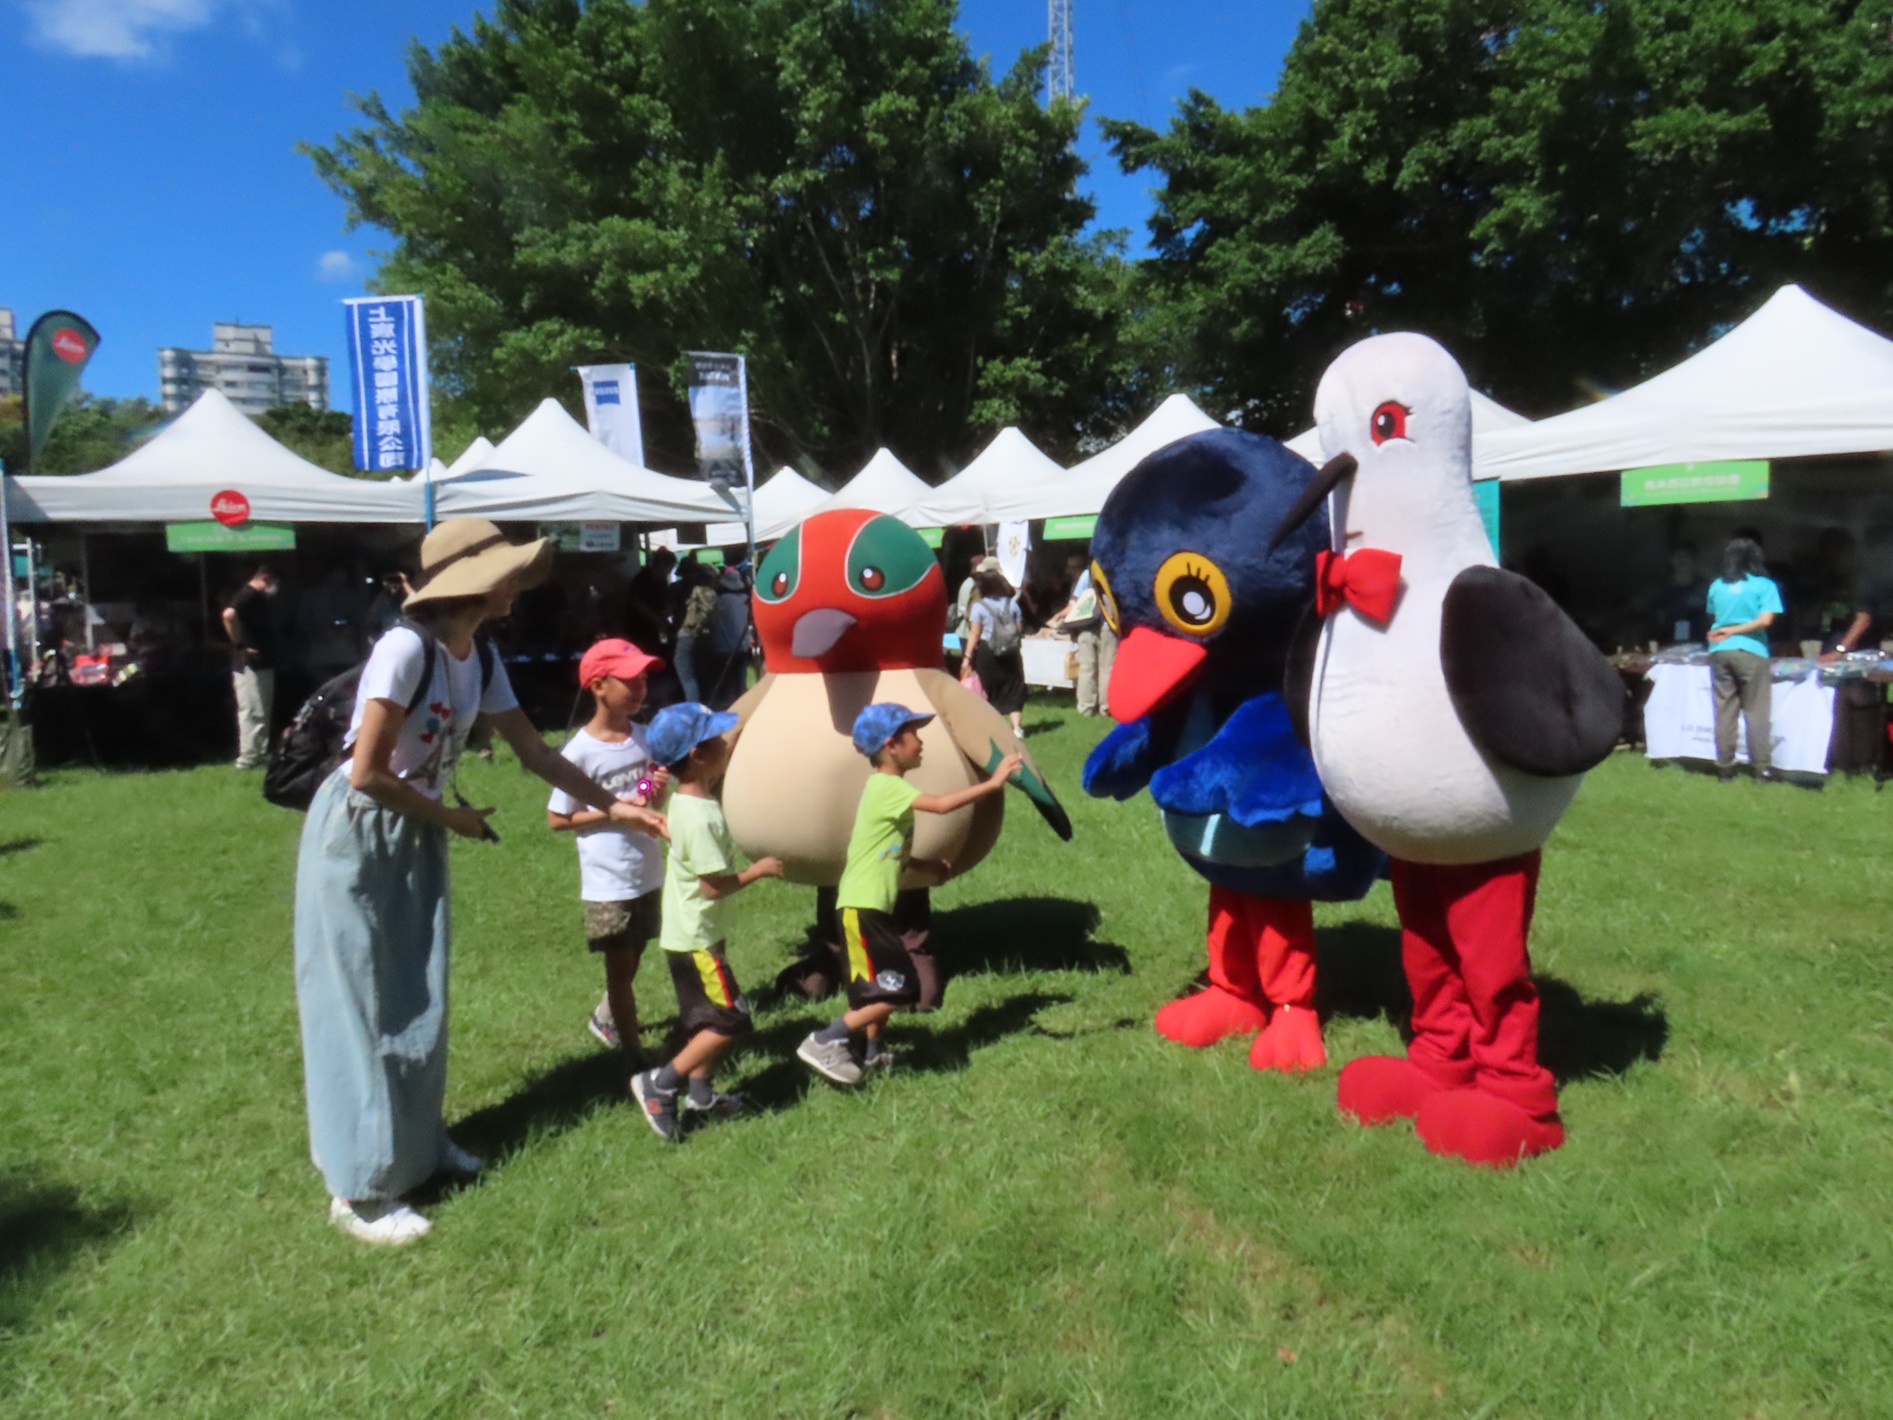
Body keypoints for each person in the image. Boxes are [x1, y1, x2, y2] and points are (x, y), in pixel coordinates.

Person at [294, 518, 667, 1245]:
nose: (517, 585)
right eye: (507, 572)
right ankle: (361, 1189)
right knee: (364, 1004)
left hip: (416, 829)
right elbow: (366, 774)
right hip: (361, 835)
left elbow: (537, 754)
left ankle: (417, 1145)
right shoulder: (405, 649)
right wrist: (452, 818)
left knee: (417, 995)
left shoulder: (479, 655)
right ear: (475, 581)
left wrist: (615, 804)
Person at [795, 704, 1020, 1086]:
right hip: (862, 908)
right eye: (914, 734)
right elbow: (941, 805)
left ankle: (873, 1051)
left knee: (879, 987)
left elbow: (885, 849)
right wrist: (993, 783)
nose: (920, 741)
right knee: (901, 988)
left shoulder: (883, 789)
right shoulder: (888, 787)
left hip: (868, 906)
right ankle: (826, 1040)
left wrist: (924, 865)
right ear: (891, 745)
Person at [629, 703, 784, 1140]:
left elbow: (654, 796)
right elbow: (713, 886)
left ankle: (700, 1094)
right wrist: (759, 870)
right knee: (731, 1018)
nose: (725, 743)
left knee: (705, 1021)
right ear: (697, 754)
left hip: (694, 931)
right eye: (717, 739)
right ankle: (660, 1083)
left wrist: (652, 789)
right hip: (690, 930)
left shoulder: (685, 798)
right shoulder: (696, 815)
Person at [546, 638, 669, 1066]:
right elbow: (558, 819)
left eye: (644, 680)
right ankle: (634, 1053)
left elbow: (641, 789)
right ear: (599, 686)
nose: (640, 688)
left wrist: (649, 789)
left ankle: (605, 1017)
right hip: (608, 879)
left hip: (646, 869)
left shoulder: (643, 737)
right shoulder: (579, 752)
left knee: (636, 952)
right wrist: (614, 812)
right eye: (630, 681)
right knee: (620, 967)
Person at [1706, 536, 1784, 783]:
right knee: (1756, 711)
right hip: (1752, 650)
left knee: (1724, 710)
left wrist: (1726, 630)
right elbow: (1766, 620)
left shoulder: (1717, 585)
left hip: (1720, 650)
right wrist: (1736, 630)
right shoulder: (1764, 585)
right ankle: (1761, 769)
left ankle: (1724, 768)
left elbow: (1714, 616)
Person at [221, 564, 280, 770]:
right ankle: (248, 758)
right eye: (276, 581)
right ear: (265, 576)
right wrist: (240, 645)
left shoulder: (257, 598)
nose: (277, 586)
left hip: (261, 662)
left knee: (260, 708)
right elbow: (229, 615)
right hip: (250, 665)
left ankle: (258, 754)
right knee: (253, 709)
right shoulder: (247, 596)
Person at [961, 564, 1027, 736]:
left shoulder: (979, 606)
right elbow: (1019, 628)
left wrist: (967, 657)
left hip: (988, 652)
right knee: (1014, 686)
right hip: (1011, 652)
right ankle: (1017, 728)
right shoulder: (1013, 604)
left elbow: (975, 633)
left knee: (988, 688)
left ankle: (994, 728)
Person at [1048, 551, 1116, 716]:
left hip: (1085, 624)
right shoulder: (1115, 573)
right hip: (1108, 624)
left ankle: (1086, 706)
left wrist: (1059, 616)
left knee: (1086, 667)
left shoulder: (1087, 574)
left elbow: (1074, 603)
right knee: (1107, 667)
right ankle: (1106, 706)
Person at [697, 561, 753, 711]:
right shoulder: (745, 600)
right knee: (741, 684)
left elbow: (709, 621)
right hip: (742, 646)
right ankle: (745, 710)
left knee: (727, 688)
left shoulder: (719, 601)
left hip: (723, 648)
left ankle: (729, 711)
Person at [673, 560, 717, 704]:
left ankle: (693, 707)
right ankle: (705, 705)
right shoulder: (712, 593)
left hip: (687, 634)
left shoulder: (691, 589)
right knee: (700, 675)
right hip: (704, 637)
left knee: (686, 675)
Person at [1649, 542, 1709, 646]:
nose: (1683, 560)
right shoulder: (1661, 587)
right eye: (1679, 556)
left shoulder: (1705, 588)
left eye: (1687, 557)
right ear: (1671, 560)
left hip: (1699, 644)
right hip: (1667, 644)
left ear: (1695, 561)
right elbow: (1656, 617)